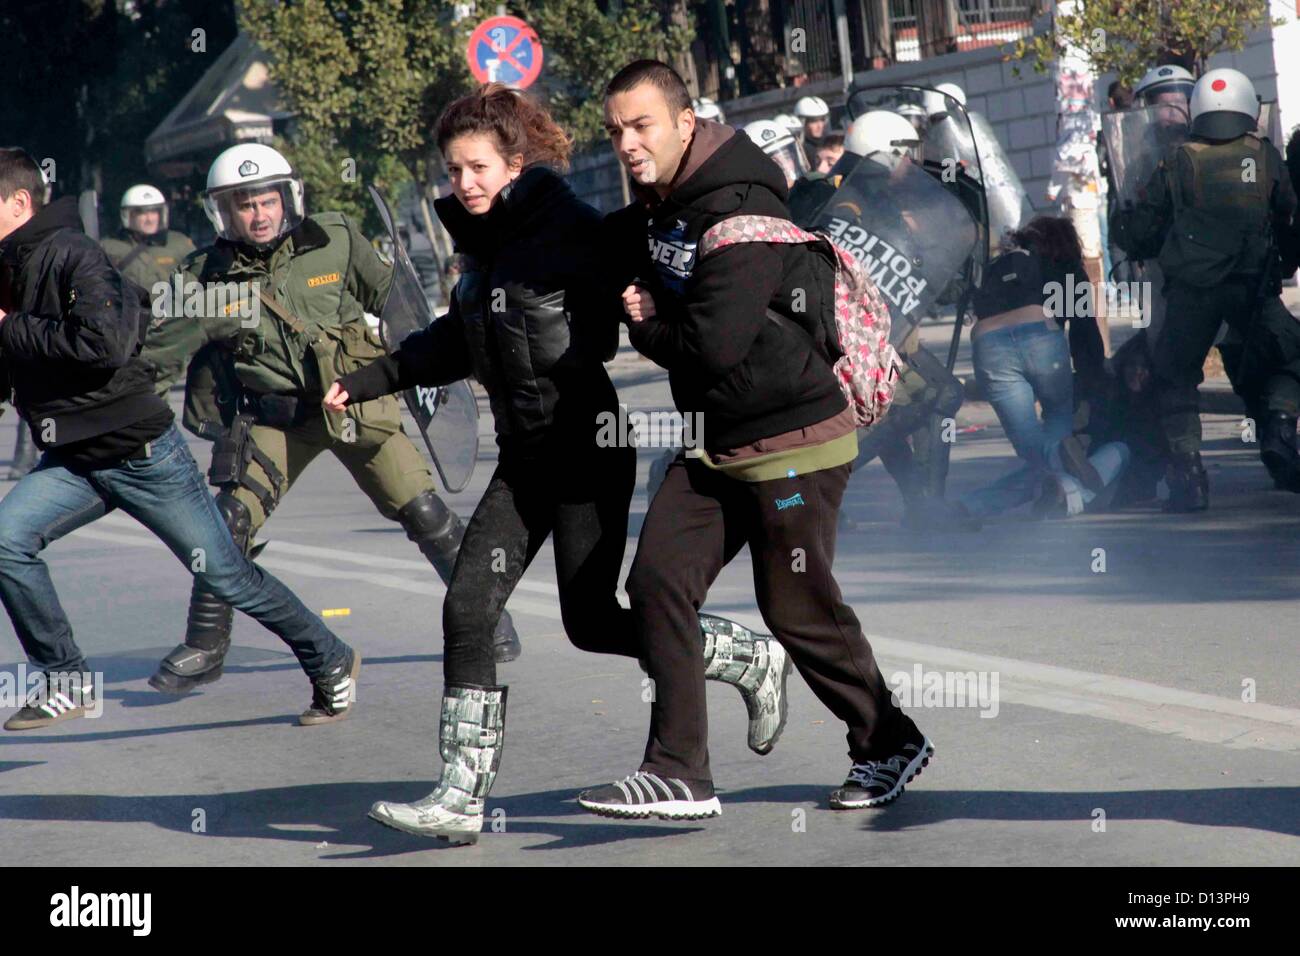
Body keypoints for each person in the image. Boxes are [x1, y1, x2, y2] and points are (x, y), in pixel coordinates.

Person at [325, 83, 791, 844]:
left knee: (592, 620)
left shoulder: (571, 232)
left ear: (515, 163)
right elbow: (454, 341)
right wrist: (373, 378)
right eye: (453, 171)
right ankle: (459, 797)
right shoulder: (484, 253)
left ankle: (744, 656)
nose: (463, 184)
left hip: (588, 451)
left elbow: (665, 254)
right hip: (525, 461)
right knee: (470, 606)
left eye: (477, 168)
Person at [584, 60, 933, 820]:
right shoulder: (663, 208)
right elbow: (614, 254)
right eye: (615, 131)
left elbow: (711, 346)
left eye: (640, 125)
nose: (626, 143)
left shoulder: (739, 217)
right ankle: (679, 770)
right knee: (657, 584)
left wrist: (646, 325)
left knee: (796, 605)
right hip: (719, 438)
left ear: (684, 123)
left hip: (794, 438)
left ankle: (888, 741)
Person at [140, 142, 520, 695]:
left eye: (266, 200)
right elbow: (157, 356)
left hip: (357, 407)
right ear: (222, 213)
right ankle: (205, 645)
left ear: (287, 198)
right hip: (276, 421)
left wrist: (448, 363)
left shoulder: (334, 239)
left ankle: (488, 620)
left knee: (426, 513)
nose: (259, 214)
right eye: (243, 204)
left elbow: (401, 308)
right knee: (226, 524)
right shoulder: (204, 277)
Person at [0, 147, 359, 731]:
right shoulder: (8, 265)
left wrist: (12, 326)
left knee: (227, 576)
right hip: (73, 459)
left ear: (19, 202)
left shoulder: (76, 253)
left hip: (142, 455)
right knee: (6, 541)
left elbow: (105, 345)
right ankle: (65, 679)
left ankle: (331, 658)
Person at [1114, 68, 1300, 508]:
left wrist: (1124, 223)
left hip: (1192, 293)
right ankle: (1279, 427)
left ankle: (1189, 475)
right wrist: (1282, 265)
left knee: (1175, 376)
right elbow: (1289, 219)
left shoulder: (1177, 160)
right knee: (1290, 356)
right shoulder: (1265, 155)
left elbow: (1145, 233)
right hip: (1252, 289)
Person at [958, 216, 1122, 520]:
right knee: (1058, 420)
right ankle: (1060, 468)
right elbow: (1085, 332)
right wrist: (1093, 378)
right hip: (1042, 340)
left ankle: (974, 506)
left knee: (1029, 442)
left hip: (989, 345)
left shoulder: (1000, 264)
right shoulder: (1068, 269)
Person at [101, 184, 196, 297]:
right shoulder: (109, 247)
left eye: (154, 212)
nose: (150, 219)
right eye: (143, 213)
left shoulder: (179, 242)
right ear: (128, 216)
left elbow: (198, 278)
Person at [795, 95, 831, 168]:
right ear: (802, 123)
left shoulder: (832, 144)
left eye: (822, 120)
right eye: (813, 121)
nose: (820, 126)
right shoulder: (800, 151)